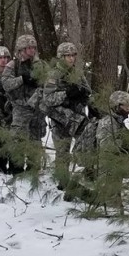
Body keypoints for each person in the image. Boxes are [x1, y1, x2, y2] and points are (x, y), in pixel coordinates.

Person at [40, 42, 92, 188]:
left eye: (73, 55)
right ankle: (63, 182)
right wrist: (66, 94)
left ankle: (89, 173)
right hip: (60, 118)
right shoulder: (54, 74)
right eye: (68, 56)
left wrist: (82, 96)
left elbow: (87, 90)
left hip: (78, 116)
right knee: (62, 151)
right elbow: (48, 99)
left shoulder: (77, 73)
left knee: (86, 145)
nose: (71, 59)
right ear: (61, 57)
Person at [2, 34, 46, 173]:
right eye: (29, 48)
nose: (32, 50)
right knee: (17, 138)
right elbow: (6, 84)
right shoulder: (12, 65)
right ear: (21, 49)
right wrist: (22, 79)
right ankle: (16, 167)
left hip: (36, 107)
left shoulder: (41, 65)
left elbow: (49, 84)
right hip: (20, 107)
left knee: (35, 138)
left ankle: (33, 168)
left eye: (34, 47)